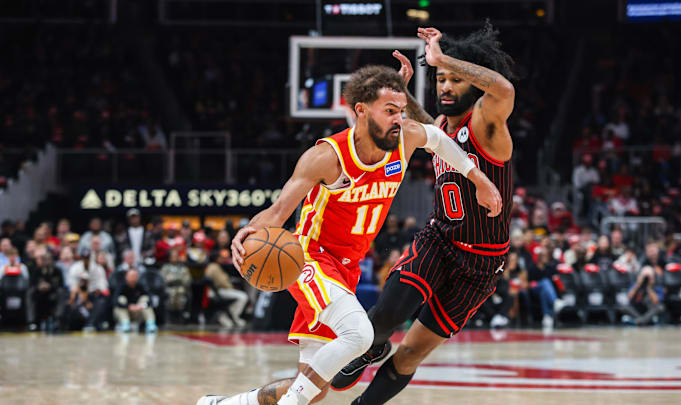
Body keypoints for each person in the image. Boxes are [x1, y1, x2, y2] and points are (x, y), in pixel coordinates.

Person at [197, 63, 501, 405]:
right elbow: (279, 211)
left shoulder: (406, 139)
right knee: (359, 335)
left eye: (401, 111)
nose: (399, 119)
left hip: (346, 269)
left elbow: (440, 141)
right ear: (360, 109)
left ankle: (223, 404)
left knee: (314, 389)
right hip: (309, 258)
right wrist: (249, 230)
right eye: (389, 111)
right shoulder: (327, 156)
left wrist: (480, 179)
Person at [331, 24, 515, 405]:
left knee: (411, 353)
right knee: (384, 318)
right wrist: (401, 94)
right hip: (439, 239)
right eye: (440, 79)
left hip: (481, 262)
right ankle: (369, 349)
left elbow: (505, 89)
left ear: (473, 84)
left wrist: (442, 57)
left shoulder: (486, 121)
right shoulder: (444, 127)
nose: (445, 86)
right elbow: (428, 129)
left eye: (454, 79)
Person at [113, 268, 157, 333]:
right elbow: (114, 301)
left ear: (137, 277)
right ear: (126, 277)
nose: (133, 278)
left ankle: (150, 324)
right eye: (131, 276)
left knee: (145, 298)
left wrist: (140, 306)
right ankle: (125, 324)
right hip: (124, 312)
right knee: (121, 299)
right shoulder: (121, 286)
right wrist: (129, 306)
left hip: (137, 312)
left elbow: (151, 301)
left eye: (134, 276)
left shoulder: (141, 286)